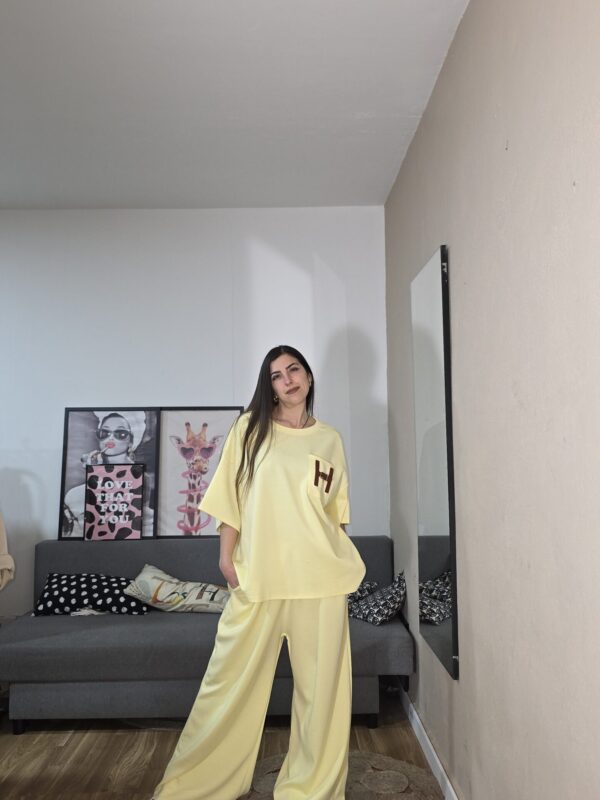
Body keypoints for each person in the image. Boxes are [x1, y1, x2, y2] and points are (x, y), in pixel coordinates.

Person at [152, 345, 366, 800]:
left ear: (308, 376)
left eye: (294, 369)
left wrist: (337, 558)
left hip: (321, 581)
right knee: (227, 687)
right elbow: (230, 498)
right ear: (269, 387)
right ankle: (196, 787)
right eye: (276, 375)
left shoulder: (330, 439)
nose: (288, 380)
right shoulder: (249, 430)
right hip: (260, 578)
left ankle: (310, 789)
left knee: (322, 696)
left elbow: (336, 516)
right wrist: (226, 558)